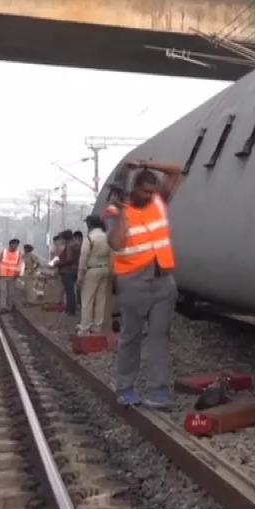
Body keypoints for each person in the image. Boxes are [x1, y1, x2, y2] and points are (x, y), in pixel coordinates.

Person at [107, 160, 184, 408]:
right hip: (134, 282)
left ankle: (157, 391)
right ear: (133, 189)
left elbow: (175, 170)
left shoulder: (159, 202)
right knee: (132, 336)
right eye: (145, 192)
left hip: (163, 280)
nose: (150, 196)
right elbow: (116, 244)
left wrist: (143, 163)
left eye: (153, 191)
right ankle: (125, 388)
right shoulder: (119, 210)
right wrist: (120, 214)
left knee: (159, 336)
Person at [76, 215, 112, 335]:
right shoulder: (107, 237)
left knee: (87, 300)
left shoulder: (90, 238)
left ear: (90, 224)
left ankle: (84, 327)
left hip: (92, 270)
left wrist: (80, 275)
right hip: (105, 269)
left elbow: (83, 257)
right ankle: (97, 327)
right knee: (101, 300)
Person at [0, 238, 24, 313]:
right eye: (14, 245)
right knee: (3, 291)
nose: (15, 247)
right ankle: (3, 307)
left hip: (12, 276)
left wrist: (18, 273)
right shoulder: (3, 251)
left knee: (11, 293)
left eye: (16, 246)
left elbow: (20, 264)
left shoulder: (18, 253)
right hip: (3, 275)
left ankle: (9, 307)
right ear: (10, 245)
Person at [57, 230, 81, 317]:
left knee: (69, 292)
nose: (61, 240)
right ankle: (70, 309)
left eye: (62, 238)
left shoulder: (69, 246)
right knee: (71, 291)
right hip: (75, 270)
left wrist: (59, 264)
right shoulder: (77, 244)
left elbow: (69, 259)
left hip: (67, 271)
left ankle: (70, 311)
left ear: (65, 238)